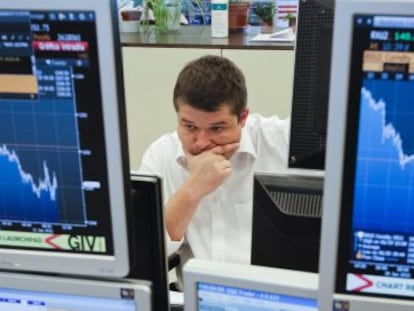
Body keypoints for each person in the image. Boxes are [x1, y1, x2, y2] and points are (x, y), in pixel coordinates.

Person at [139, 55, 290, 265]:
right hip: (193, 295)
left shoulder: (281, 141)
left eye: (217, 128)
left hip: (271, 293)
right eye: (189, 127)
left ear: (243, 118)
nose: (201, 142)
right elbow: (141, 251)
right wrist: (194, 188)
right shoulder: (160, 155)